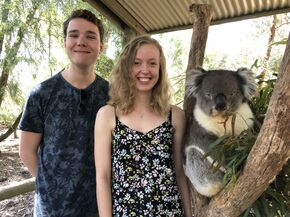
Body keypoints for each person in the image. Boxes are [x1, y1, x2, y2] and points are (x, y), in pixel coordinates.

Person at [19, 9, 109, 217]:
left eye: (90, 36)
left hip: (98, 208)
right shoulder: (41, 94)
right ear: (65, 42)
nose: (81, 41)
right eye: (74, 35)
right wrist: (50, 188)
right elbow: (26, 152)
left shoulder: (114, 96)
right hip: (51, 211)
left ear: (101, 47)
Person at [94, 35, 192, 216]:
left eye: (152, 63)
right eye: (136, 63)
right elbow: (103, 178)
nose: (145, 70)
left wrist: (189, 214)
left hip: (170, 212)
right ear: (125, 68)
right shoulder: (107, 116)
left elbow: (179, 172)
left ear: (160, 69)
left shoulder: (176, 116)